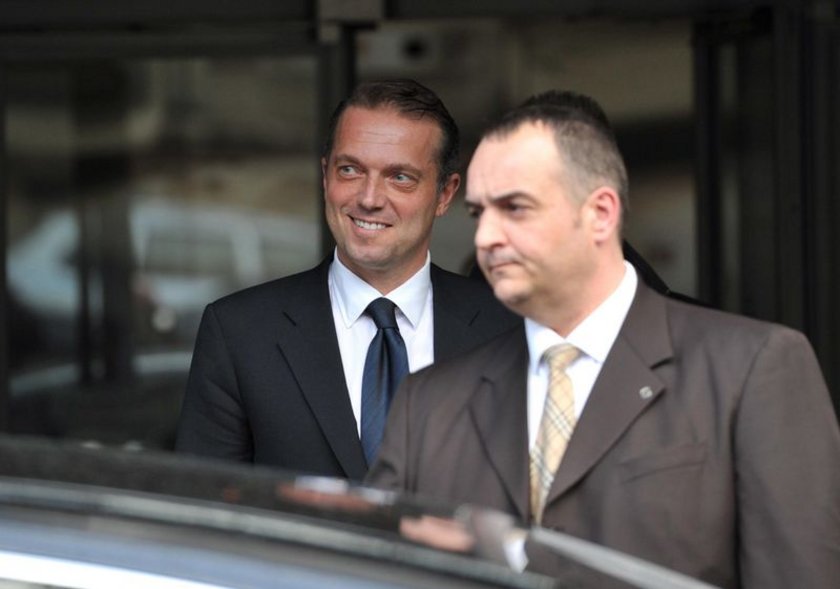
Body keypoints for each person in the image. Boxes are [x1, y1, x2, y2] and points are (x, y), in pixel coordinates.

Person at [366, 90, 840, 588]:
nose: (486, 237)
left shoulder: (751, 369)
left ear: (601, 213)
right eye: (479, 213)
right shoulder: (430, 404)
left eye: (515, 208)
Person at [175, 79, 519, 480]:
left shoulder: (511, 329)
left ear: (445, 193)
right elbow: (202, 505)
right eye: (350, 170)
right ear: (326, 176)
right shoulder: (239, 333)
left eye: (400, 177)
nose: (369, 198)